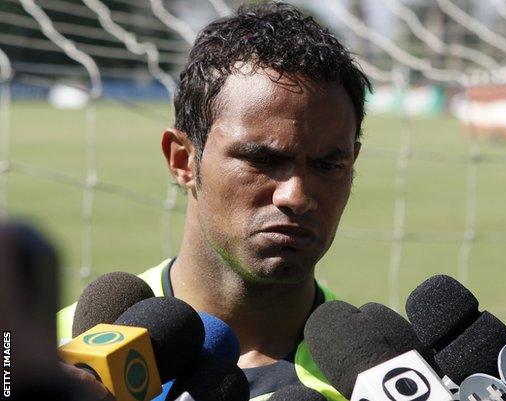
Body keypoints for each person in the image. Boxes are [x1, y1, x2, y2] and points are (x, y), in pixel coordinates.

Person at [57, 2, 370, 400]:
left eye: (328, 166)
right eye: (263, 159)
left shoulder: (376, 376)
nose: (296, 195)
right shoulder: (45, 358)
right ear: (183, 160)